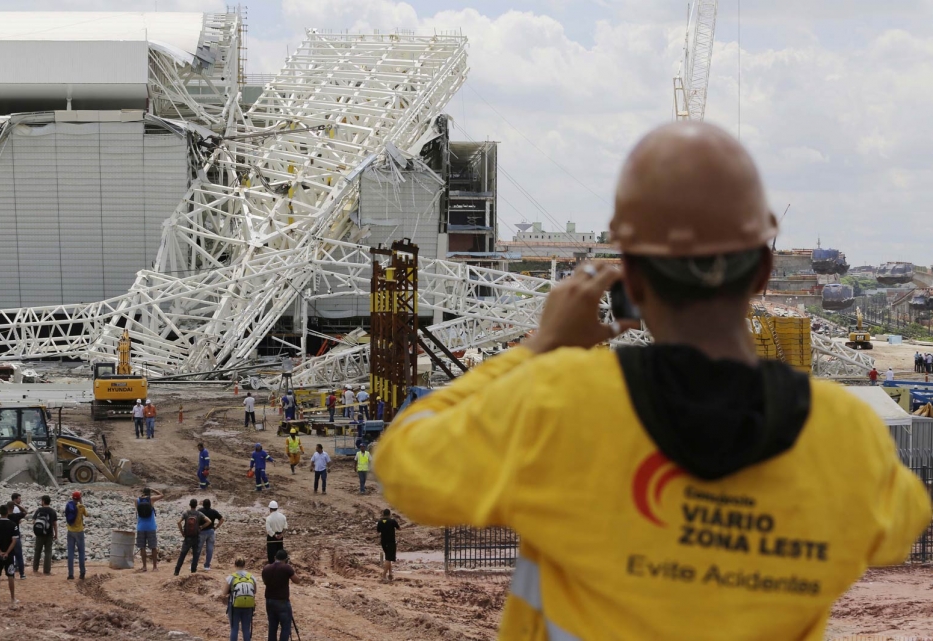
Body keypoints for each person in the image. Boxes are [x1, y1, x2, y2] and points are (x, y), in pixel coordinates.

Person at [372, 122, 933, 639]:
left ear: (632, 281)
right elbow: (899, 528)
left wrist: (540, 349)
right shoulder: (847, 439)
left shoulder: (558, 403)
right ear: (762, 272)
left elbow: (405, 466)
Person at [262, 549, 301, 641]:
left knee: (272, 626)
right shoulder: (286, 568)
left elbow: (265, 582)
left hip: (269, 600)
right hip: (282, 601)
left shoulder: (266, 568)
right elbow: (297, 581)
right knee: (285, 627)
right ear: (286, 559)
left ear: (275, 557)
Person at [0, 503, 19, 605]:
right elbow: (14, 540)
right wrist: (7, 552)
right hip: (9, 553)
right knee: (10, 575)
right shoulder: (13, 525)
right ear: (7, 513)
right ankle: (12, 598)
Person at [222, 557, 257, 641]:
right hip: (248, 606)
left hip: (234, 605)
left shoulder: (231, 577)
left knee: (234, 629)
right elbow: (254, 591)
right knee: (246, 629)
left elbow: (224, 593)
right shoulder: (251, 577)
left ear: (235, 565)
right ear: (245, 565)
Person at [174, 498, 211, 575]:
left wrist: (182, 532)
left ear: (190, 505)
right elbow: (209, 521)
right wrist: (201, 527)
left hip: (187, 537)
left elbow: (178, 522)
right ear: (196, 505)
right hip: (196, 537)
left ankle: (176, 571)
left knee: (182, 554)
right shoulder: (199, 514)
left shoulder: (186, 513)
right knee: (195, 555)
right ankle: (193, 571)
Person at [135, 488, 163, 572]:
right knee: (153, 547)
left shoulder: (137, 500)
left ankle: (144, 567)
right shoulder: (151, 499)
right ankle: (154, 567)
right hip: (151, 527)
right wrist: (154, 489)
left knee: (142, 547)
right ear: (149, 493)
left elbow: (137, 511)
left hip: (141, 527)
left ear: (142, 492)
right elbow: (162, 495)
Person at [31, 495, 58, 576]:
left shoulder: (39, 510)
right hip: (49, 534)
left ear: (43, 501)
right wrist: (56, 534)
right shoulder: (52, 511)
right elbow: (55, 524)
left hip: (39, 534)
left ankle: (35, 569)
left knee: (37, 551)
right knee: (48, 552)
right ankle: (46, 571)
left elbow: (33, 521)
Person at [65, 490, 88, 580]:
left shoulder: (69, 505)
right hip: (79, 532)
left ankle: (70, 574)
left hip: (70, 531)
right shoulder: (81, 507)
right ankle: (82, 572)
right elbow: (87, 514)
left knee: (70, 553)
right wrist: (81, 502)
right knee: (81, 552)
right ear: (79, 498)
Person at [197, 498, 225, 571]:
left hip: (202, 532)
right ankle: (207, 566)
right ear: (210, 504)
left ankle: (194, 564)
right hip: (211, 532)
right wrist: (216, 527)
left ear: (203, 504)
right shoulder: (213, 511)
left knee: (198, 548)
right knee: (210, 549)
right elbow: (222, 519)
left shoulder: (200, 511)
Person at [8, 492, 28, 580]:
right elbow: (25, 512)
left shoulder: (5, 517)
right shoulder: (15, 516)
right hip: (16, 537)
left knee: (9, 556)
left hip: (7, 538)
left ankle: (10, 573)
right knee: (19, 556)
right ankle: (22, 574)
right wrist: (17, 505)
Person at [376, 508, 400, 583]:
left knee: (388, 557)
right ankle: (383, 575)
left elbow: (378, 531)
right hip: (391, 542)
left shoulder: (380, 522)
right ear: (389, 514)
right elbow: (399, 528)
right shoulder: (392, 521)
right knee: (388, 558)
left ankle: (390, 574)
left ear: (383, 514)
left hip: (383, 542)